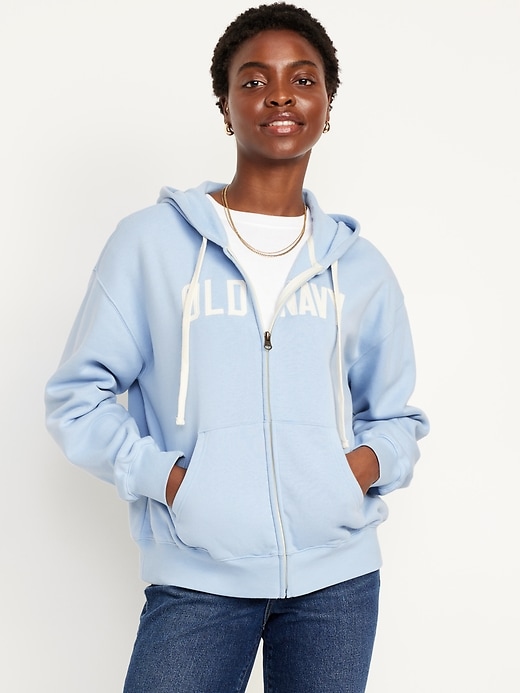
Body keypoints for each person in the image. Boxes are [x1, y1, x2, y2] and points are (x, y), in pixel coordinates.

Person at [45, 3, 429, 691]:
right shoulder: (151, 244)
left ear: (327, 104)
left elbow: (396, 417)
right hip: (199, 576)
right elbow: (77, 398)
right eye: (254, 81)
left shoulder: (359, 266)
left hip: (338, 583)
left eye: (302, 79)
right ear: (225, 107)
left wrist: (351, 473)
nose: (280, 95)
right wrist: (173, 482)